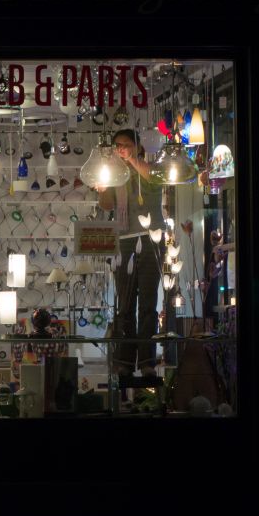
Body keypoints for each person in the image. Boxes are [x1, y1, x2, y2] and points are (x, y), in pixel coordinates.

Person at [98, 129, 165, 380]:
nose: (120, 149)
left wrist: (132, 160)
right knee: (124, 304)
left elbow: (154, 178)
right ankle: (124, 362)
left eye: (125, 144)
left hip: (151, 239)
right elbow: (107, 205)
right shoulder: (115, 174)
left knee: (148, 303)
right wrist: (102, 188)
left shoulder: (149, 168)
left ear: (137, 147)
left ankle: (147, 362)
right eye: (117, 145)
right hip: (124, 241)